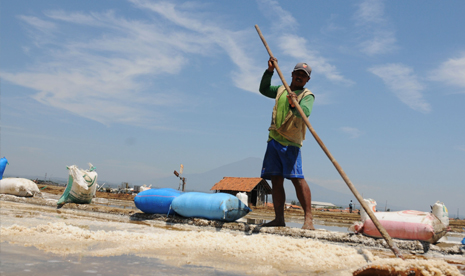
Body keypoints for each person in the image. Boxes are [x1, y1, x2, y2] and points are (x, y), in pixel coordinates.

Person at [259, 57, 315, 230]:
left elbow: (303, 113)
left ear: (307, 79)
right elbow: (264, 89)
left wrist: (294, 103)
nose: (299, 77)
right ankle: (279, 219)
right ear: (291, 74)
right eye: (297, 73)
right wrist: (269, 71)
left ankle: (308, 219)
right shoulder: (281, 89)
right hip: (274, 139)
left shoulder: (307, 95)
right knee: (276, 180)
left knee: (297, 179)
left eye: (303, 75)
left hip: (291, 143)